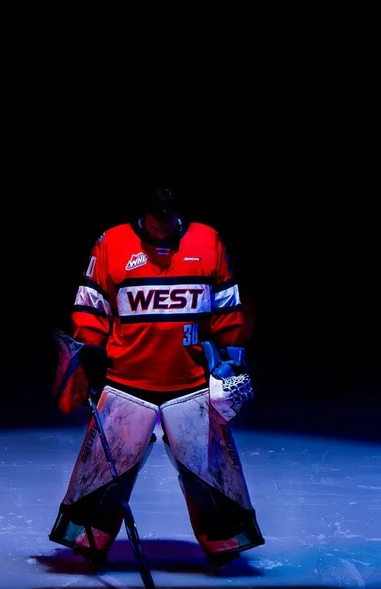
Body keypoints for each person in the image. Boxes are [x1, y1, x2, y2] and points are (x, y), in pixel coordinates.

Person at [49, 187, 264, 569]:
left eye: (169, 222)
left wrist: (232, 358)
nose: (161, 232)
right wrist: (80, 359)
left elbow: (227, 307)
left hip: (192, 384)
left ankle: (223, 541)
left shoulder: (208, 240)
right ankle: (89, 539)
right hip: (126, 383)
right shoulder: (111, 243)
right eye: (153, 222)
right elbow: (91, 306)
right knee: (101, 473)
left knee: (212, 475)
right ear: (142, 217)